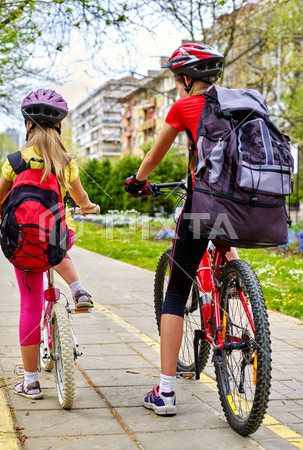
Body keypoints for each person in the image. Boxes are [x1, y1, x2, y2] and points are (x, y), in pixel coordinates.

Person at [125, 43, 239, 415]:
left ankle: (167, 392)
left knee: (175, 293)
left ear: (188, 78)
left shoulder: (185, 106)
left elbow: (154, 155)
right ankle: (237, 300)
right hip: (245, 204)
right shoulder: (242, 103)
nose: (176, 86)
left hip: (204, 204)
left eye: (177, 80)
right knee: (227, 260)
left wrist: (138, 181)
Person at [0, 89, 99, 399]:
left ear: (28, 126)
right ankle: (78, 289)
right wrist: (88, 207)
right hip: (56, 238)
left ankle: (31, 382)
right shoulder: (67, 162)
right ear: (58, 127)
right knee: (58, 241)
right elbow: (80, 198)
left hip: (23, 243)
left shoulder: (15, 161)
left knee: (30, 305)